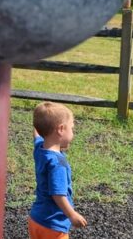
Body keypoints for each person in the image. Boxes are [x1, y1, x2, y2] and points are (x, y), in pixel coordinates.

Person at [28, 102, 87, 239]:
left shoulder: (40, 148)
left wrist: (39, 122)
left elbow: (37, 135)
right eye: (71, 128)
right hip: (53, 225)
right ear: (60, 129)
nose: (73, 132)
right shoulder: (58, 163)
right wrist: (72, 215)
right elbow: (58, 194)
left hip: (36, 220)